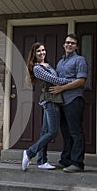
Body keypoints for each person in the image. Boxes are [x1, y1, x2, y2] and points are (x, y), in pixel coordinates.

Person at [22, 42, 73, 171]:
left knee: (45, 131)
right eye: (38, 51)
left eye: (43, 50)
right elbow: (54, 80)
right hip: (50, 100)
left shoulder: (47, 65)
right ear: (34, 54)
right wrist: (72, 81)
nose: (42, 53)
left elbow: (56, 78)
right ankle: (30, 152)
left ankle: (42, 161)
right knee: (53, 132)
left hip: (54, 100)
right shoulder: (37, 68)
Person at [49, 33, 88, 173]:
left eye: (72, 43)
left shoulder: (80, 60)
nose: (69, 45)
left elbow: (82, 80)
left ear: (76, 46)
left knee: (75, 132)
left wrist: (62, 88)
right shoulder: (60, 62)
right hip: (61, 102)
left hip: (74, 100)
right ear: (64, 45)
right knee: (65, 133)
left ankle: (77, 163)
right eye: (67, 42)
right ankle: (66, 160)